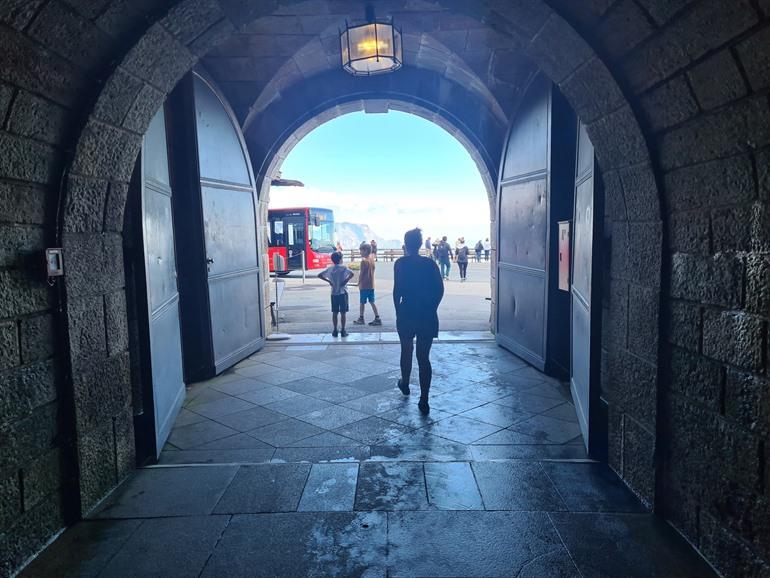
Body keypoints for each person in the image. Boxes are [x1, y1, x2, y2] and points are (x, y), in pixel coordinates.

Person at [393, 228, 444, 414]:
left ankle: (405, 383)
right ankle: (424, 399)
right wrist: (432, 307)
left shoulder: (400, 264)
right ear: (421, 244)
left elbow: (397, 291)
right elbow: (440, 289)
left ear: (406, 244)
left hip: (407, 312)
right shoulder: (430, 264)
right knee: (424, 357)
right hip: (426, 314)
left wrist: (398, 312)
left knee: (406, 350)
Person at [318, 251, 354, 337]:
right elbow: (352, 274)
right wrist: (345, 281)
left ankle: (335, 330)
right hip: (343, 292)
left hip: (333, 293)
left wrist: (329, 281)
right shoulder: (343, 268)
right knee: (343, 312)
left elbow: (319, 275)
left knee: (335, 312)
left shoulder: (330, 269)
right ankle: (343, 330)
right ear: (340, 259)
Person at [353, 243, 382, 326]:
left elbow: (361, 274)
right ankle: (377, 317)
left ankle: (361, 318)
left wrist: (358, 283)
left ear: (365, 251)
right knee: (372, 302)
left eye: (361, 251)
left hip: (364, 285)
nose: (360, 253)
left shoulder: (363, 262)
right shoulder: (372, 260)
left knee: (362, 302)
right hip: (371, 285)